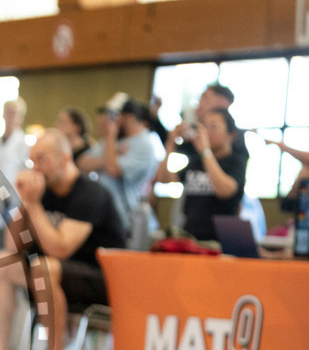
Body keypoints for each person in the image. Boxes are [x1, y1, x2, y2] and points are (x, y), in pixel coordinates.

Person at [0, 129, 126, 350]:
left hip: (100, 280)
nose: (36, 168)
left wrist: (35, 205)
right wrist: (23, 202)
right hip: (50, 274)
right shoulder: (43, 191)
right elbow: (13, 246)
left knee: (45, 267)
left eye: (42, 160)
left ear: (64, 158)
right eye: (32, 161)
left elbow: (61, 249)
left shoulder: (91, 194)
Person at [154, 107, 246, 242]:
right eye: (204, 126)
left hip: (220, 240)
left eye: (213, 127)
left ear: (231, 134)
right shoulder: (197, 161)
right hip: (190, 236)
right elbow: (163, 178)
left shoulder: (236, 161)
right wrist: (171, 143)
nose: (206, 132)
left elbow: (225, 190)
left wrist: (205, 151)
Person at [77, 98, 162, 230]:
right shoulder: (114, 142)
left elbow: (113, 169)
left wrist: (110, 138)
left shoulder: (144, 144)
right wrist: (113, 153)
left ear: (129, 118)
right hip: (109, 216)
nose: (109, 121)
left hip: (130, 223)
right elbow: (82, 163)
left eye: (114, 116)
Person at [0, 98, 30, 185]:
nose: (11, 117)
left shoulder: (24, 144)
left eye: (14, 113)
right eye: (8, 113)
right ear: (3, 114)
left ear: (21, 118)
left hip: (13, 191)